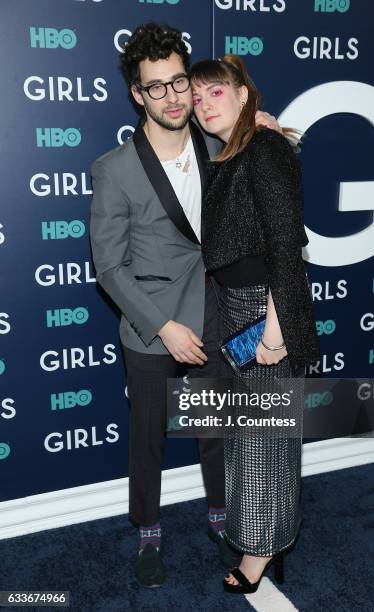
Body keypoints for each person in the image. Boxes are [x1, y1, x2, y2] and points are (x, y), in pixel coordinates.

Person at [89, 23, 280, 588]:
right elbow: (110, 267)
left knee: (216, 430)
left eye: (179, 83)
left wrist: (262, 129)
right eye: (156, 87)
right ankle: (148, 530)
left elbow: (262, 171)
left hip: (216, 315)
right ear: (136, 94)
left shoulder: (219, 143)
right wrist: (161, 325)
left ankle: (222, 520)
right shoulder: (114, 168)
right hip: (152, 327)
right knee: (148, 437)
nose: (172, 98)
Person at [190, 55, 320, 593]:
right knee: (252, 436)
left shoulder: (263, 150)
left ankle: (260, 553)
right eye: (196, 99)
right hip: (238, 307)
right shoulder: (243, 148)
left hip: (263, 311)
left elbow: (286, 245)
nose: (202, 106)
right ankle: (263, 539)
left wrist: (276, 327)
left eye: (215, 93)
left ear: (244, 94)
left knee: (263, 440)